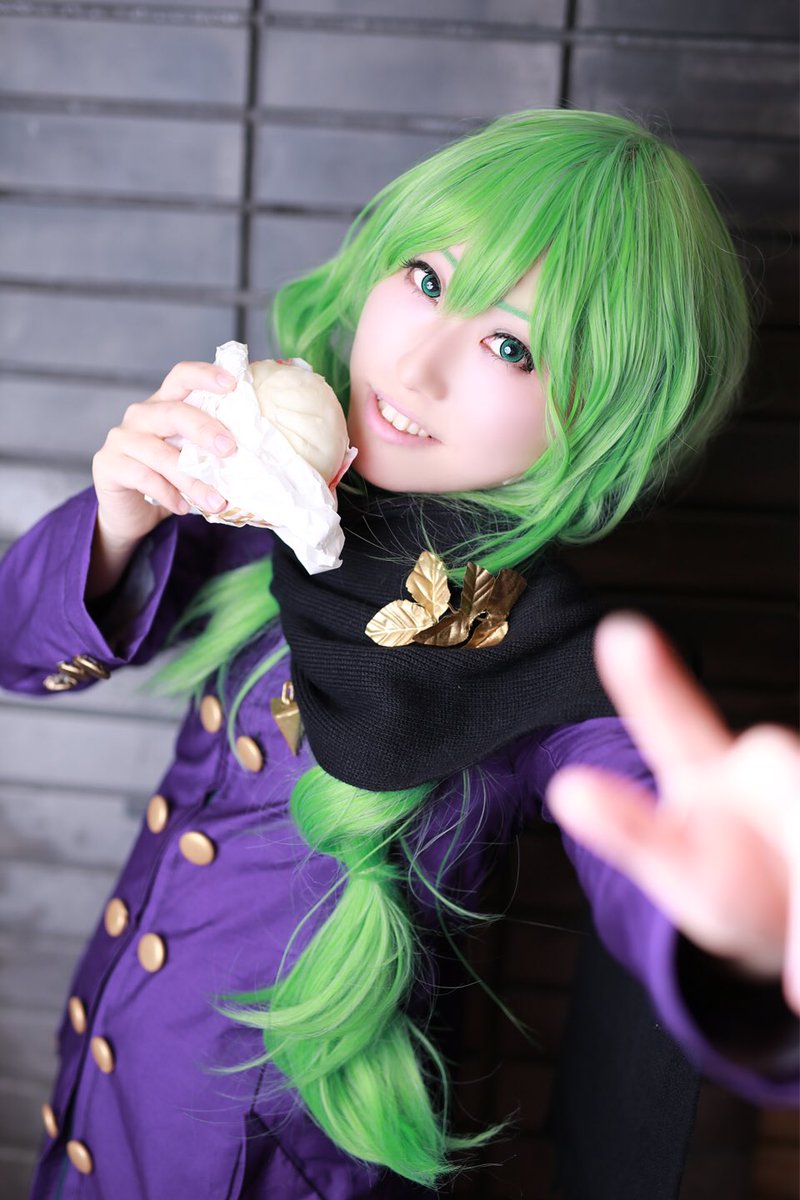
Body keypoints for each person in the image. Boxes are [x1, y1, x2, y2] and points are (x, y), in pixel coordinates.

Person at [1, 108, 797, 1200]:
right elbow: (18, 653)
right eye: (425, 279)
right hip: (99, 1109)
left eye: (510, 346)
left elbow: (650, 832)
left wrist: (745, 942)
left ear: (605, 417)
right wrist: (115, 522)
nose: (414, 369)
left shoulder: (547, 659)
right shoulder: (263, 498)